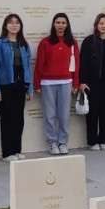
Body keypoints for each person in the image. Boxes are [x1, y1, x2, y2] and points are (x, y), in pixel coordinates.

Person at [33, 13, 80, 155]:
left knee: (64, 115)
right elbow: (39, 64)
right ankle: (52, 143)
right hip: (47, 83)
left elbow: (76, 65)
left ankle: (63, 143)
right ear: (54, 24)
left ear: (67, 25)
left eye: (63, 23)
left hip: (66, 82)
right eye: (58, 22)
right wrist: (37, 84)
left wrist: (75, 83)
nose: (60, 25)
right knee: (50, 115)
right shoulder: (45, 42)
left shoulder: (72, 43)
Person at [0, 13, 32, 162]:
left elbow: (27, 67)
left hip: (21, 85)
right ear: (5, 26)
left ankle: (17, 150)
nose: (14, 25)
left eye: (17, 23)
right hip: (5, 85)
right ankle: (7, 153)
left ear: (20, 26)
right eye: (11, 22)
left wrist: (29, 88)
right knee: (7, 119)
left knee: (18, 119)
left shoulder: (23, 44)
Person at [80, 14, 105, 150]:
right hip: (92, 83)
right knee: (92, 113)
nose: (104, 26)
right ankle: (92, 141)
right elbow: (83, 63)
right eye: (101, 23)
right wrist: (82, 81)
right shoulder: (89, 41)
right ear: (96, 25)